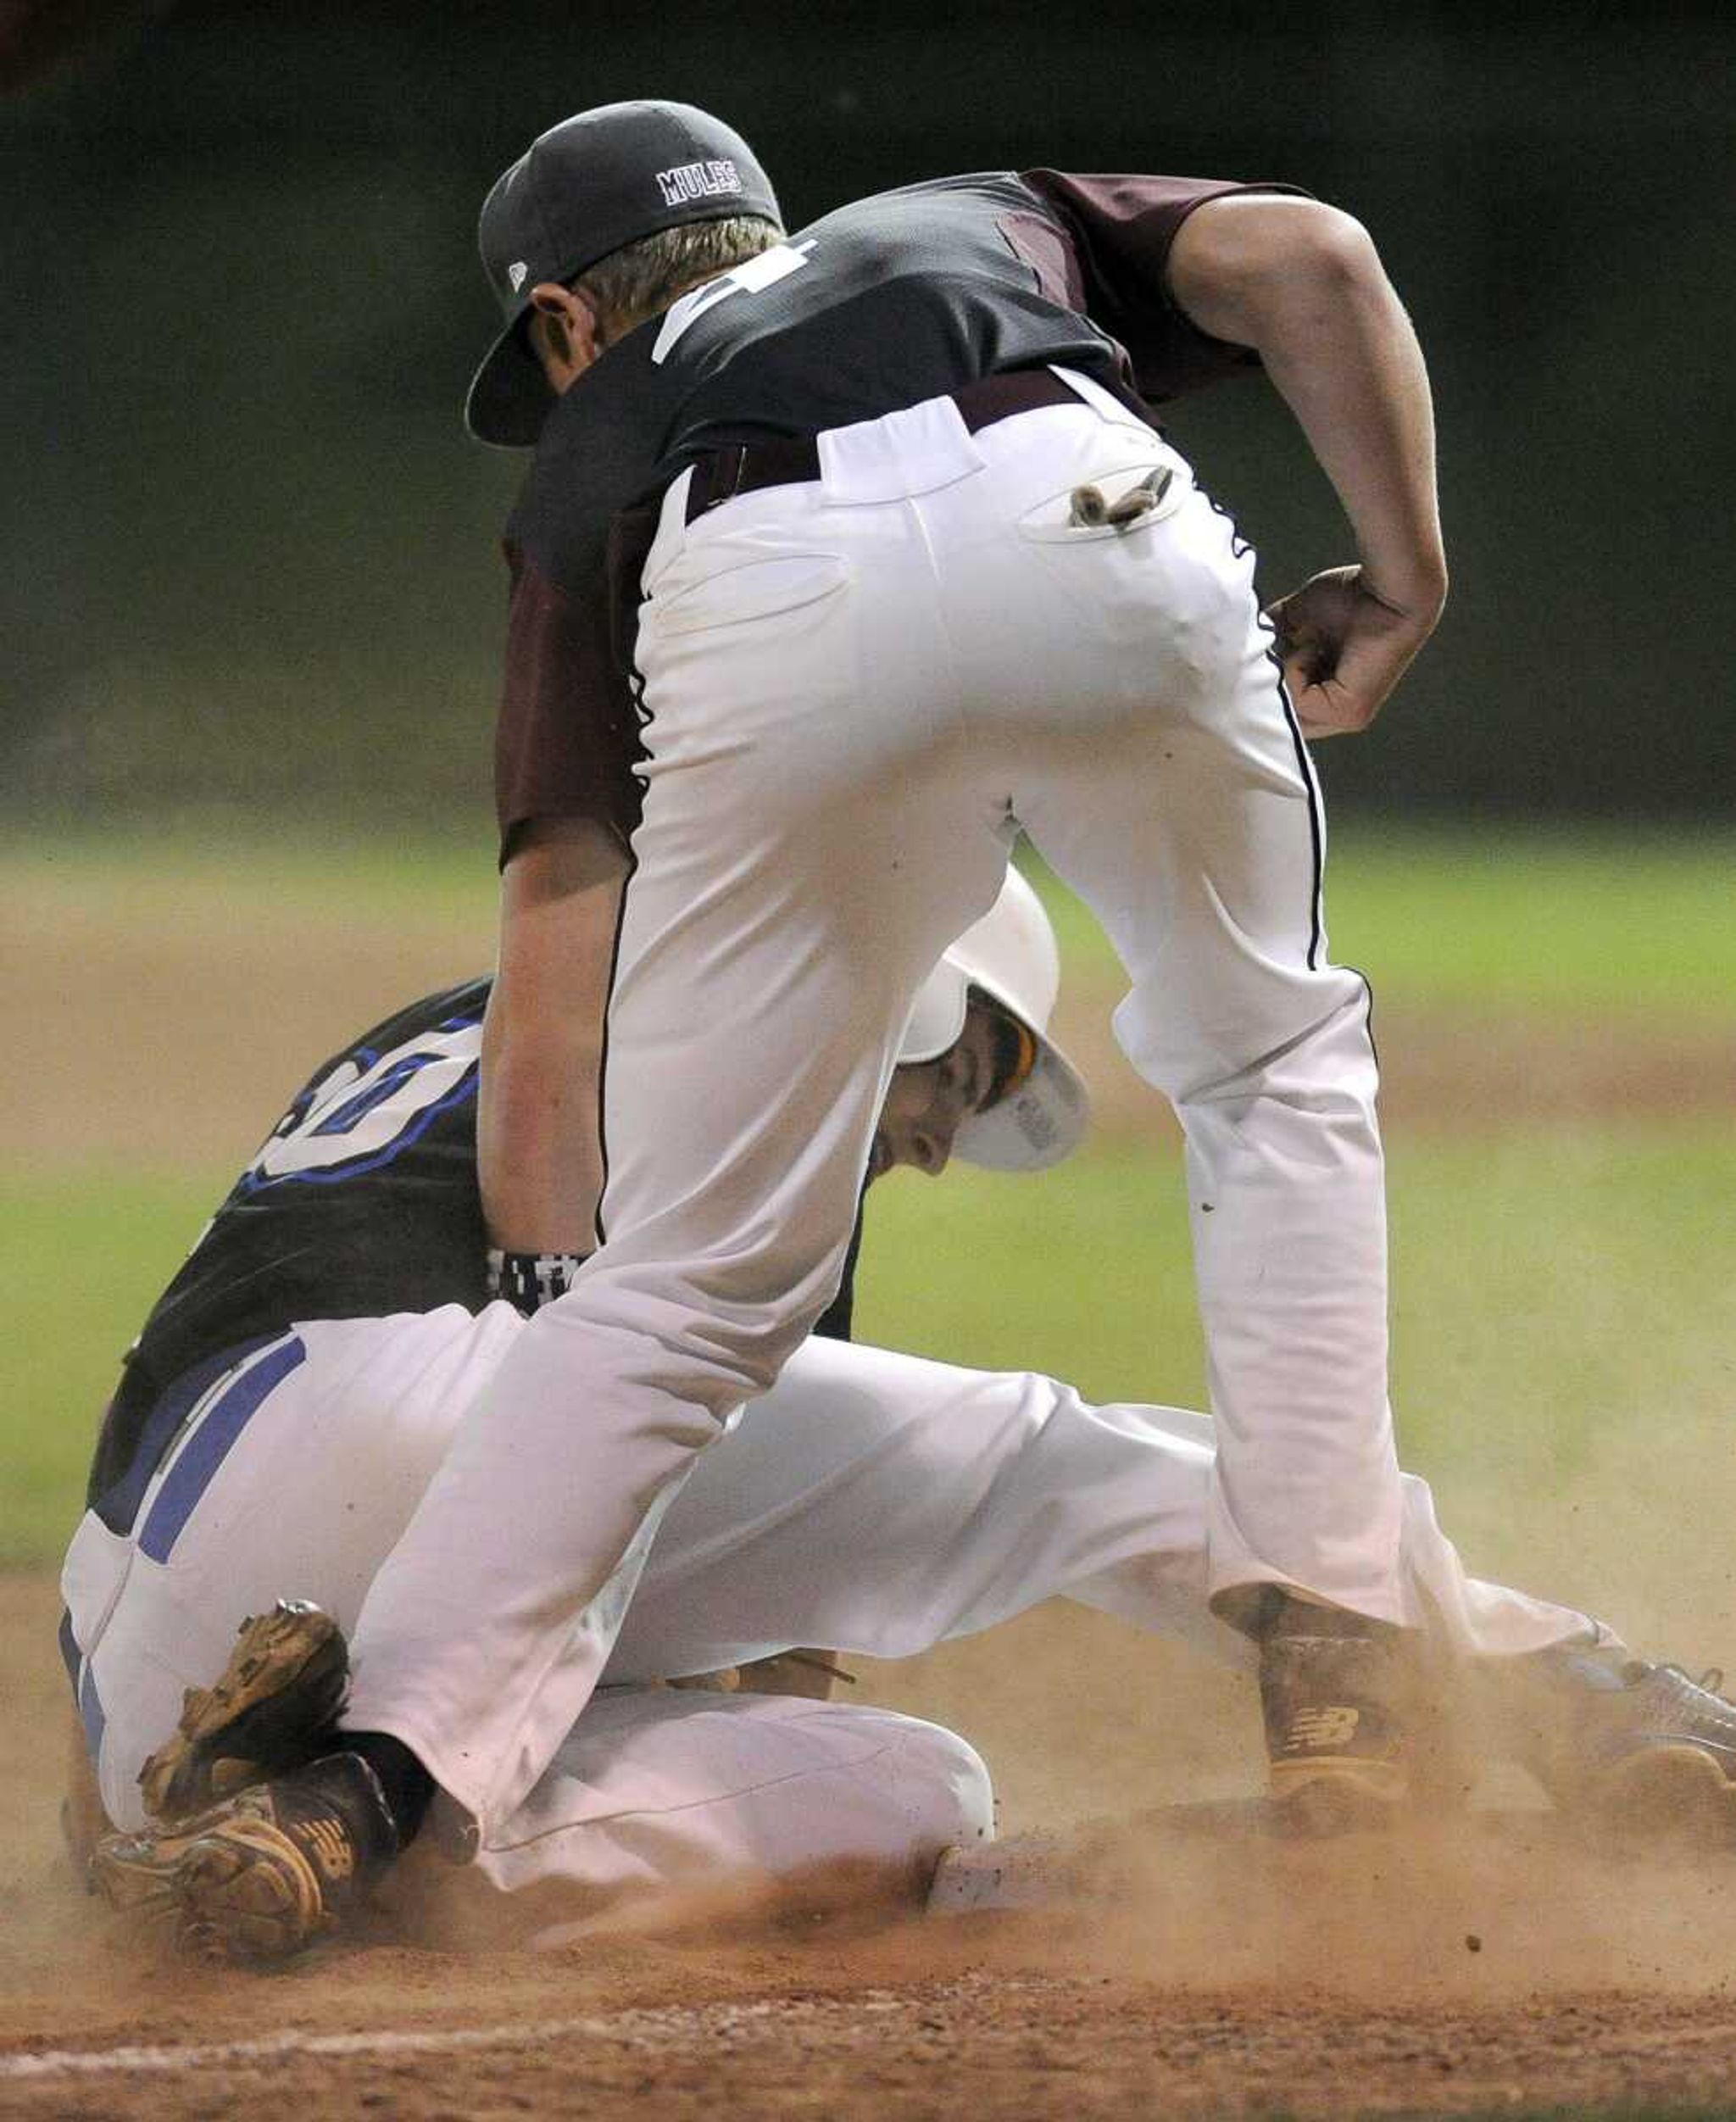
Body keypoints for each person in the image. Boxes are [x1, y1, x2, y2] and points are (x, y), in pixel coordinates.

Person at [317, 101, 1446, 1879]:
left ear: (564, 323)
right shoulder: (978, 215)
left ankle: (365, 1785)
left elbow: (552, 978)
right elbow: (1313, 254)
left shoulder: (593, 449)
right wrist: (1401, 577)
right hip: (1089, 514)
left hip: (758, 587)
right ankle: (1332, 1659)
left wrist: (556, 1303)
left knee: (681, 1291)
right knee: (1268, 1062)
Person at [75, 879, 1736, 1961]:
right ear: (914, 1002)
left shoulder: (517, 1011)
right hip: (437, 1400)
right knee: (1052, 1464)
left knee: (903, 1787)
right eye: (972, 1075)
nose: (945, 1141)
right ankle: (1565, 1686)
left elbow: (753, 1620)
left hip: (144, 1634)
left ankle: (284, 1843)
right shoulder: (786, 1034)